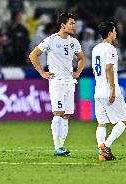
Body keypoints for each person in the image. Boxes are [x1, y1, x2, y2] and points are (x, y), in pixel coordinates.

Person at [29, 13, 85, 156]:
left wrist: (78, 71)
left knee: (66, 115)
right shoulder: (51, 40)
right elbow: (33, 55)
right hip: (57, 82)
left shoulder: (74, 42)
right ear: (63, 25)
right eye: (71, 23)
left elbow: (81, 58)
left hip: (69, 81)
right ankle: (57, 146)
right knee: (58, 113)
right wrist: (42, 72)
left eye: (74, 23)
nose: (74, 26)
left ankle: (62, 147)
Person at [92, 21, 126, 161]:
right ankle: (106, 146)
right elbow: (109, 68)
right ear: (109, 33)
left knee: (102, 123)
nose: (116, 33)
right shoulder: (111, 49)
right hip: (109, 90)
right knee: (124, 120)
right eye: (114, 30)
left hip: (98, 90)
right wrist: (112, 89)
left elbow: (95, 70)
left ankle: (101, 152)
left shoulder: (95, 48)